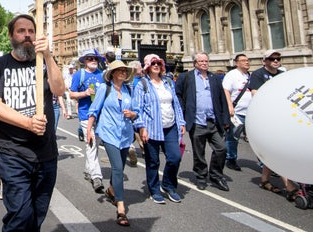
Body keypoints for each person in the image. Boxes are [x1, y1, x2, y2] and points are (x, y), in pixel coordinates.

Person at [0, 14, 65, 232]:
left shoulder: (43, 62)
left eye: (31, 31)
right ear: (11, 35)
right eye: (21, 31)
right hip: (13, 154)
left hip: (46, 155)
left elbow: (59, 90)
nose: (27, 35)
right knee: (20, 216)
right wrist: (28, 123)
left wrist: (48, 56)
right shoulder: (0, 65)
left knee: (37, 217)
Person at [86, 60, 137, 227]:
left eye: (124, 70)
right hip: (108, 133)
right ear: (113, 73)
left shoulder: (129, 89)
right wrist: (88, 131)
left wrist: (132, 114)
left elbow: (136, 111)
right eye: (119, 70)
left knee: (120, 167)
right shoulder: (104, 88)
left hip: (125, 134)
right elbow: (94, 110)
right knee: (117, 168)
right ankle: (121, 207)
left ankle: (111, 190)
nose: (122, 72)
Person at [175, 52, 230, 192]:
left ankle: (216, 175)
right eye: (201, 61)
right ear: (195, 63)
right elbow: (178, 96)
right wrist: (183, 113)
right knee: (199, 152)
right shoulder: (186, 77)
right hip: (197, 121)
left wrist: (225, 119)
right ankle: (201, 176)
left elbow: (221, 98)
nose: (204, 63)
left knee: (221, 148)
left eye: (206, 61)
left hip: (212, 120)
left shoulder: (215, 78)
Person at [134, 54, 186, 204]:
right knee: (153, 161)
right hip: (152, 128)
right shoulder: (142, 84)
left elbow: (175, 103)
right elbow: (137, 108)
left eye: (158, 63)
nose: (156, 65)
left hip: (170, 126)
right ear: (147, 67)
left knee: (175, 157)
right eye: (153, 63)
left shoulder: (168, 82)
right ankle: (154, 189)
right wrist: (141, 127)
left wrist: (181, 122)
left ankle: (168, 185)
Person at [248, 49, 299, 201]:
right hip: (266, 118)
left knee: (271, 151)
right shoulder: (258, 74)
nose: (276, 61)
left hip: (282, 117)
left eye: (278, 58)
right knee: (278, 150)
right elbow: (255, 94)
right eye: (272, 59)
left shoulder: (283, 74)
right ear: (265, 61)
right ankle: (289, 185)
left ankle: (264, 180)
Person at [69, 48, 106, 193]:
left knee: (95, 144)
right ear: (84, 61)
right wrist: (84, 93)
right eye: (90, 58)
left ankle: (87, 170)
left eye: (95, 58)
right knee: (91, 144)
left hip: (100, 115)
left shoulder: (102, 75)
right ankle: (96, 177)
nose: (93, 61)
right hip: (85, 115)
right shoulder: (80, 75)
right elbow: (71, 94)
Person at [222, 54, 251, 171]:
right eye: (243, 60)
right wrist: (230, 106)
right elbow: (226, 90)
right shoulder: (232, 75)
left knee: (256, 138)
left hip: (251, 113)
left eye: (247, 60)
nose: (246, 62)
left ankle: (264, 164)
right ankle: (231, 158)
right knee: (233, 136)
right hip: (237, 112)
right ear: (236, 63)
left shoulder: (250, 75)